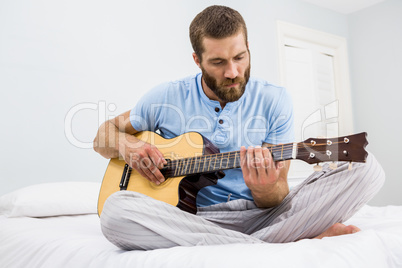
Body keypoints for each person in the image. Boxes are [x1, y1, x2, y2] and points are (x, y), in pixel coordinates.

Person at [93, 5, 385, 250]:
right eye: (218, 62)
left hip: (263, 215)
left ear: (248, 49)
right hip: (190, 218)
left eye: (240, 58)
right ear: (198, 60)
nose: (232, 72)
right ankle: (283, 241)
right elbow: (102, 136)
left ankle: (252, 241)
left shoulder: (275, 99)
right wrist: (126, 145)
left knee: (367, 167)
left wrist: (265, 187)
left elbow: (278, 195)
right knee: (115, 213)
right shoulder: (164, 97)